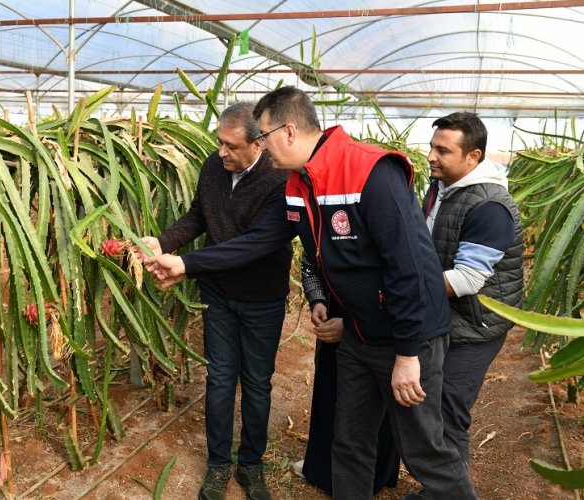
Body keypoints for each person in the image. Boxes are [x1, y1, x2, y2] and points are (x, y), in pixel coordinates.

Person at [146, 86, 477, 499]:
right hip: (357, 333)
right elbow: (259, 240)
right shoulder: (298, 185)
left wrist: (408, 353)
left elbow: (408, 266)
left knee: (425, 450)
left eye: (263, 137)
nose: (262, 148)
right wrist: (186, 264)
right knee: (350, 442)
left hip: (408, 337)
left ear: (287, 131)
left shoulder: (371, 171)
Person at [138, 102, 292, 500]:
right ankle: (219, 464)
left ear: (258, 143)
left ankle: (252, 464)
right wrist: (165, 241)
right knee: (221, 379)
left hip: (262, 299)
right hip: (219, 296)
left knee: (257, 383)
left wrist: (186, 263)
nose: (220, 152)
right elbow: (198, 216)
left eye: (230, 146)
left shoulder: (281, 180)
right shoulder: (215, 166)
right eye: (219, 143)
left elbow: (251, 247)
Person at [424, 112, 523, 467]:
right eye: (431, 147)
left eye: (443, 151)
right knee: (432, 405)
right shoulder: (440, 188)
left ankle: (452, 493)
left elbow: (467, 279)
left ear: (473, 157)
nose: (432, 156)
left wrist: (404, 292)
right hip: (448, 317)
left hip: (476, 326)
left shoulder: (490, 205)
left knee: (449, 409)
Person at [294, 257, 400, 496]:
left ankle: (373, 477)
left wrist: (352, 325)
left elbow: (396, 279)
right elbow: (310, 260)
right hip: (336, 313)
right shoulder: (319, 220)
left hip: (379, 322)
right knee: (330, 391)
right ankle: (323, 472)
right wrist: (317, 300)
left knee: (373, 403)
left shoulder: (385, 223)